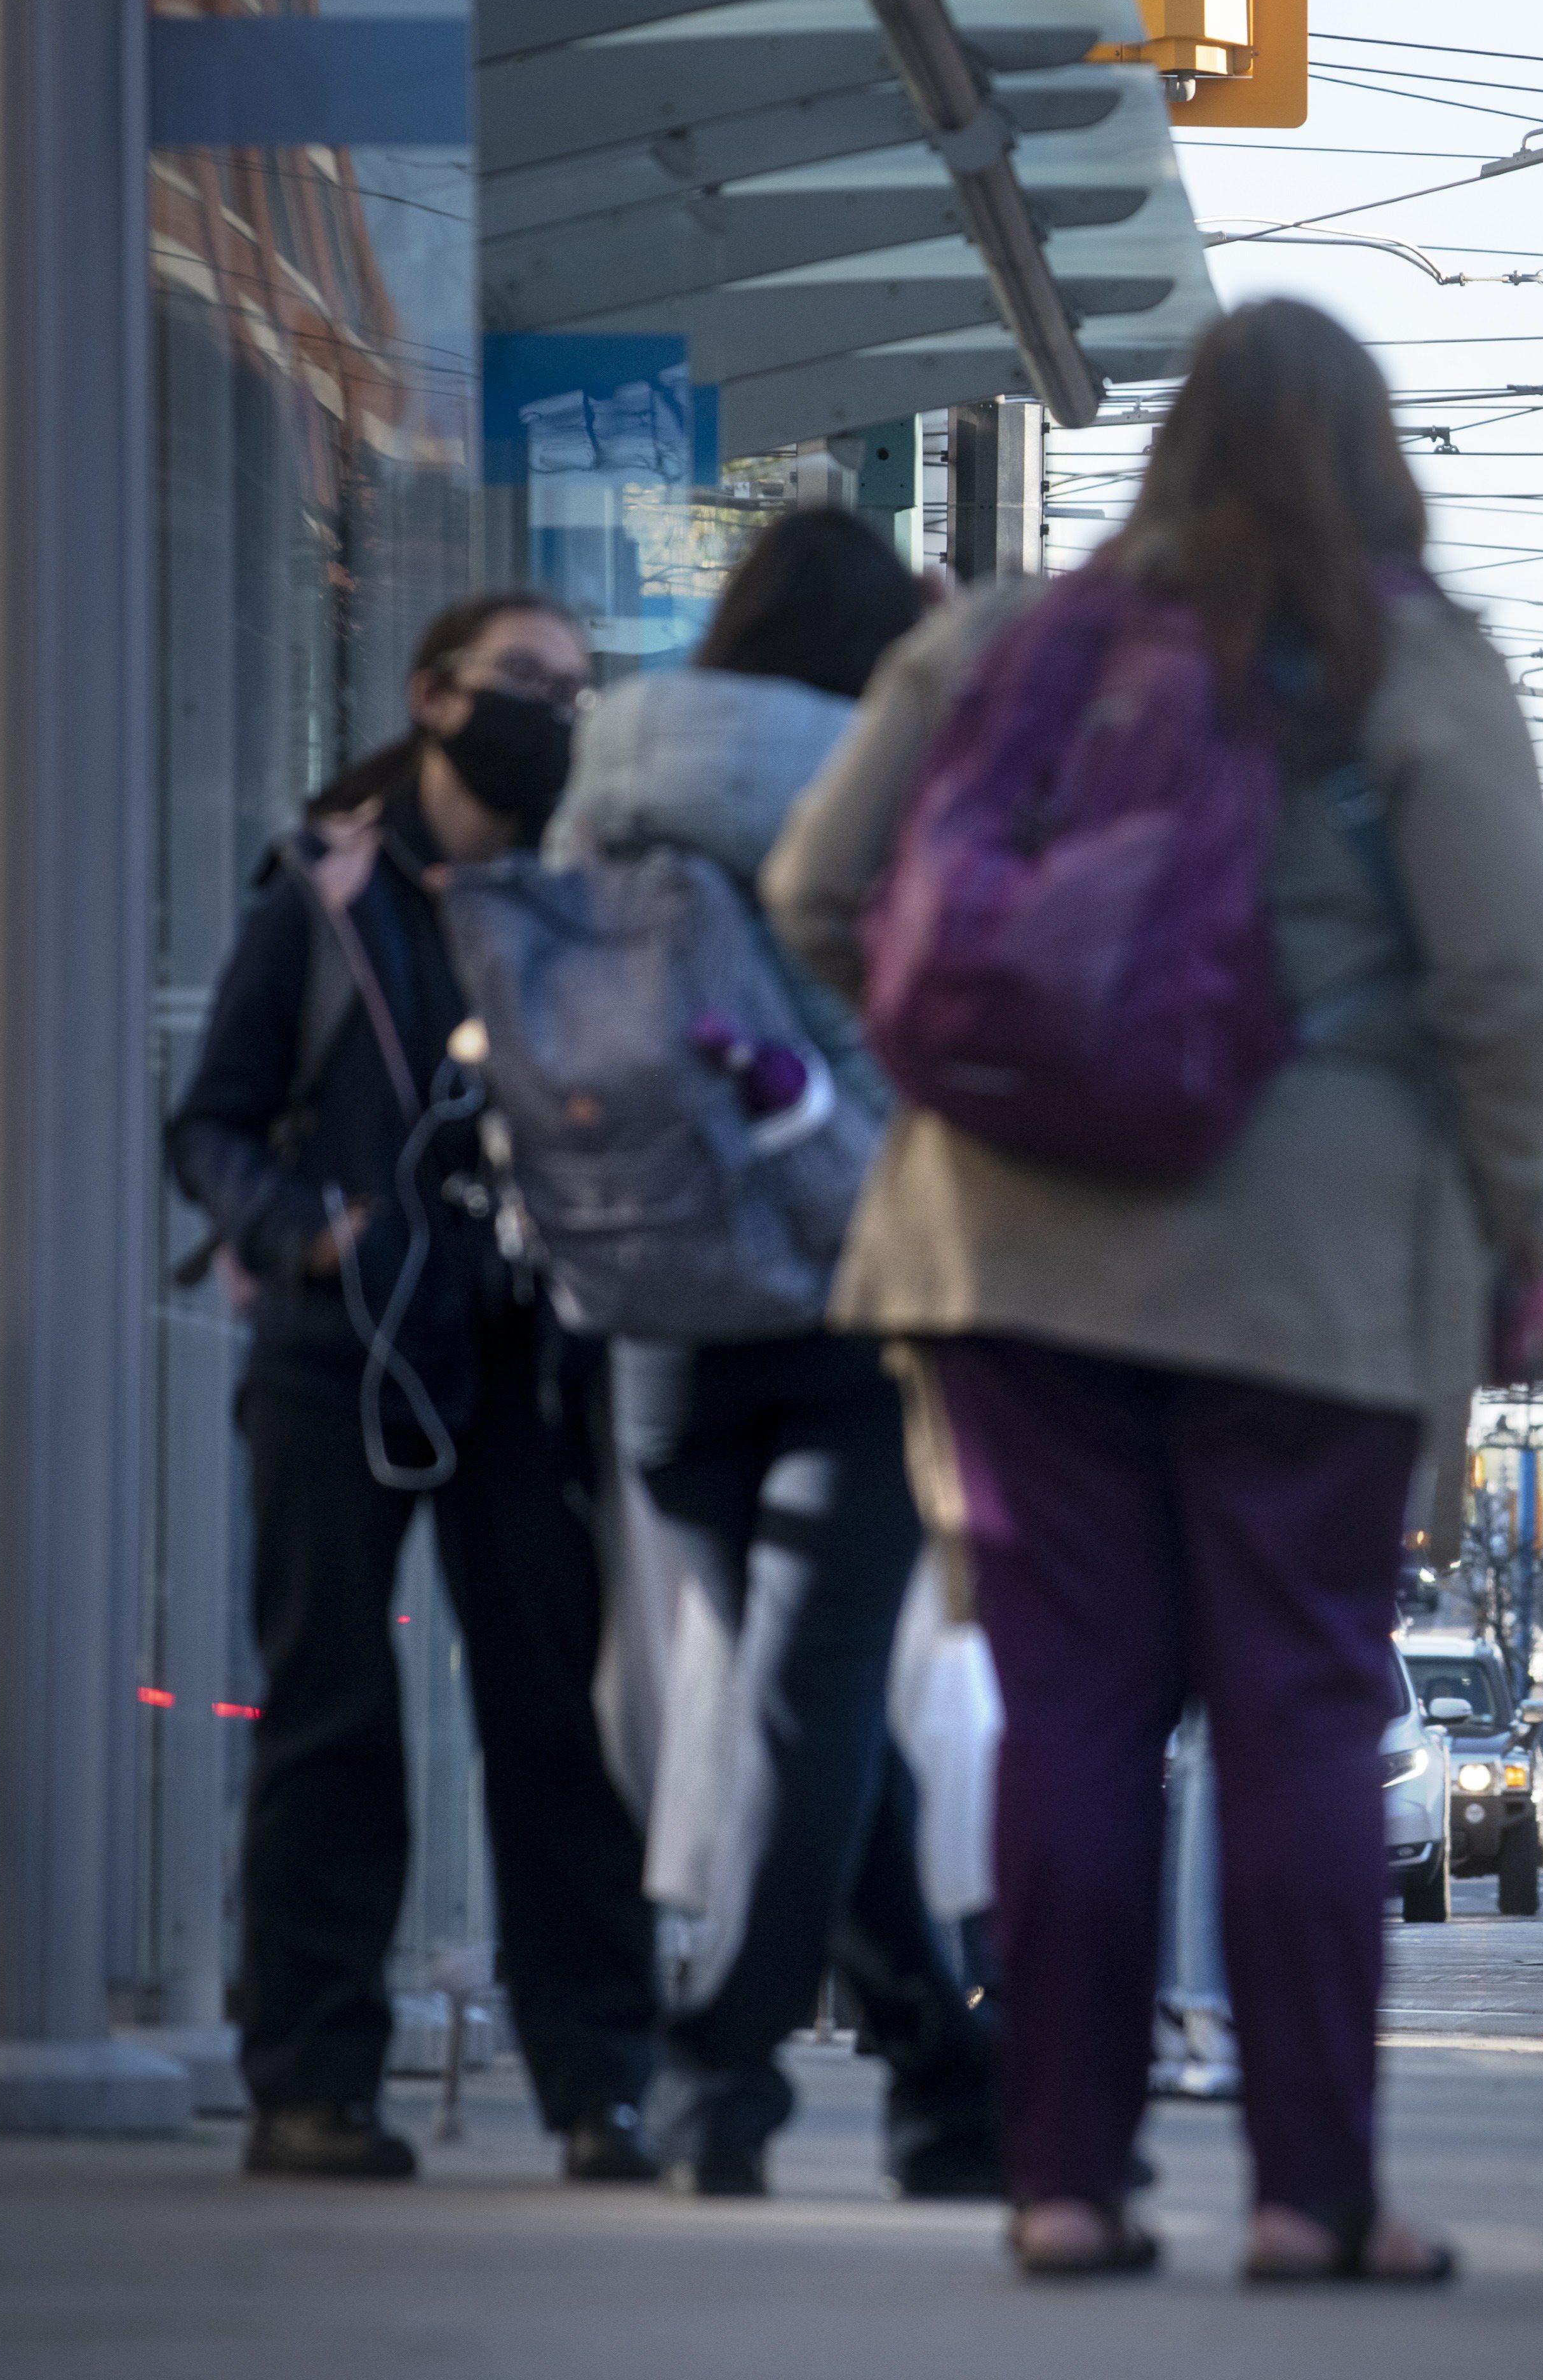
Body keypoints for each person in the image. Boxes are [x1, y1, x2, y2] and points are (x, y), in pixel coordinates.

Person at [765, 298, 1543, 2282]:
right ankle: (1315, 2198)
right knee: (1299, 1714)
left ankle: (1063, 2183)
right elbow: (1513, 976)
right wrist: (1499, 1216)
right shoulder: (1412, 658)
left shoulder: (998, 642)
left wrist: (974, 1092)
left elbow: (812, 894)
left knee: (1072, 1716)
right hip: (1308, 1269)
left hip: (1011, 1256)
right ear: (1373, 457)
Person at [166, 592, 658, 2181]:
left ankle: (601, 2084)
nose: (557, 718)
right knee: (332, 1716)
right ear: (433, 699)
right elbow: (214, 1125)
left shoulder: (583, 899)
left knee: (557, 1727)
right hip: (344, 1358)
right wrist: (307, 1235)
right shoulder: (324, 896)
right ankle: (313, 2085)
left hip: (525, 1357)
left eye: (580, 695)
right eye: (528, 685)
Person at [545, 506, 996, 2199]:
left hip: (657, 1307)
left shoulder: (605, 775)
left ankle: (953, 2085)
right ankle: (717, 2073)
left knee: (814, 1717)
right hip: (851, 1296)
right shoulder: (886, 791)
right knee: (814, 1712)